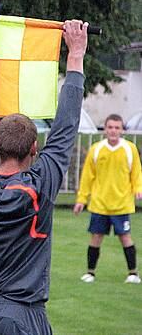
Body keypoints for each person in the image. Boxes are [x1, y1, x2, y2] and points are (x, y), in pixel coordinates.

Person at [0, 12, 88, 334]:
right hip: (24, 315)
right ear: (34, 150)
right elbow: (65, 129)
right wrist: (75, 56)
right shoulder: (41, 184)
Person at [74, 114, 142, 284]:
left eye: (117, 127)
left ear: (122, 130)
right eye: (110, 127)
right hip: (99, 204)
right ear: (105, 129)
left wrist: (138, 188)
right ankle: (90, 273)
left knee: (125, 237)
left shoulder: (129, 148)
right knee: (96, 237)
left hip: (122, 204)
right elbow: (87, 176)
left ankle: (133, 274)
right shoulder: (96, 149)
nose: (113, 131)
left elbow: (136, 172)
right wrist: (81, 199)